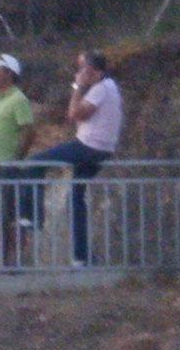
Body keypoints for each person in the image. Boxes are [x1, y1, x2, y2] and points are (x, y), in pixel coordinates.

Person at [34, 50, 121, 266]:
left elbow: (74, 114)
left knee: (35, 163)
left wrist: (77, 87)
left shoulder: (101, 89)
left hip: (89, 147)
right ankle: (81, 256)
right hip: (100, 148)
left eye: (86, 70)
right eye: (80, 69)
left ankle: (32, 217)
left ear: (98, 72)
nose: (82, 73)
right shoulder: (107, 87)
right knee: (76, 198)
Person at [0, 54, 39, 265]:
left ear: (9, 74)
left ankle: (14, 262)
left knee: (10, 217)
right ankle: (2, 262)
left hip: (6, 166)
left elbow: (29, 131)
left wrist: (16, 159)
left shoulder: (18, 99)